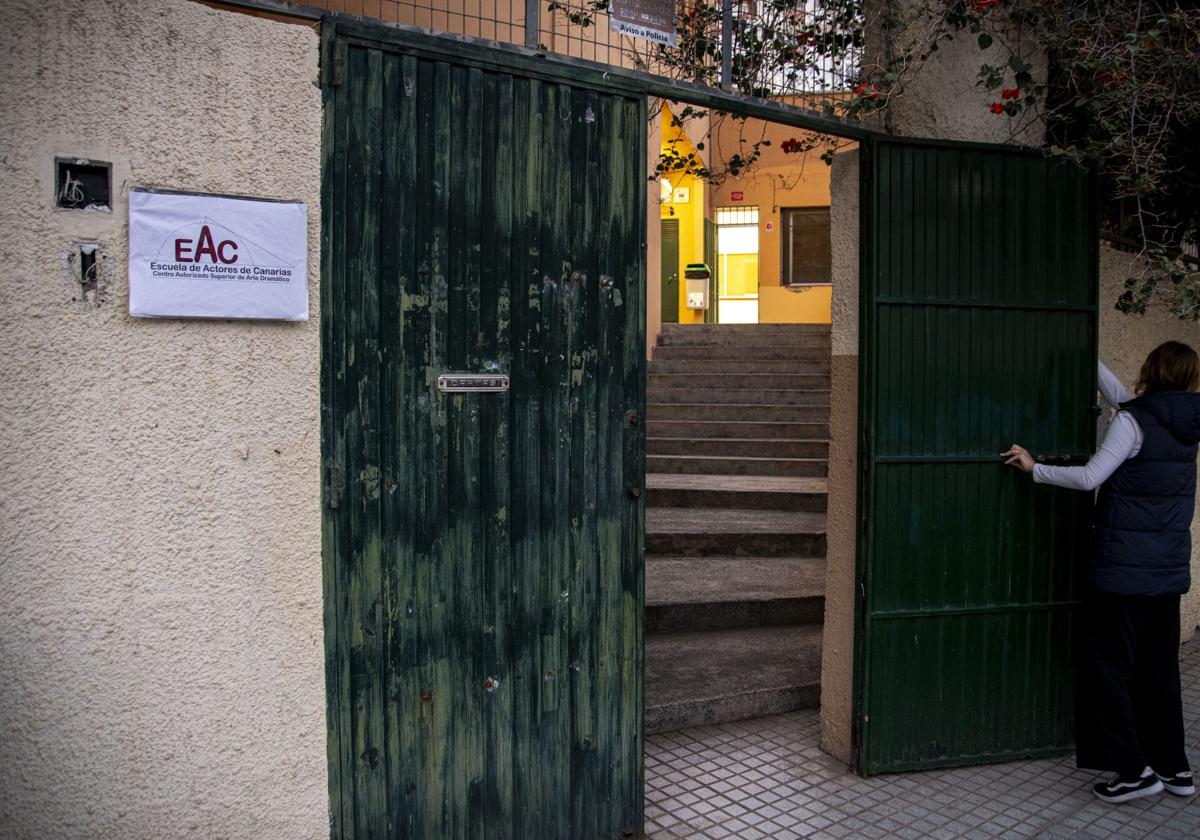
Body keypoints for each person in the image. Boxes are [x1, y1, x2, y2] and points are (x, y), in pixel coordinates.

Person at [1003, 341, 1200, 804]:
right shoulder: (1185, 422)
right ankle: (1176, 768)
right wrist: (1082, 348)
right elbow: (1122, 398)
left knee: (1109, 670)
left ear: (1151, 368)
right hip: (1166, 571)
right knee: (1159, 670)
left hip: (1121, 572)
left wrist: (1036, 469)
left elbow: (1092, 476)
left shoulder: (1134, 423)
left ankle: (1133, 771)